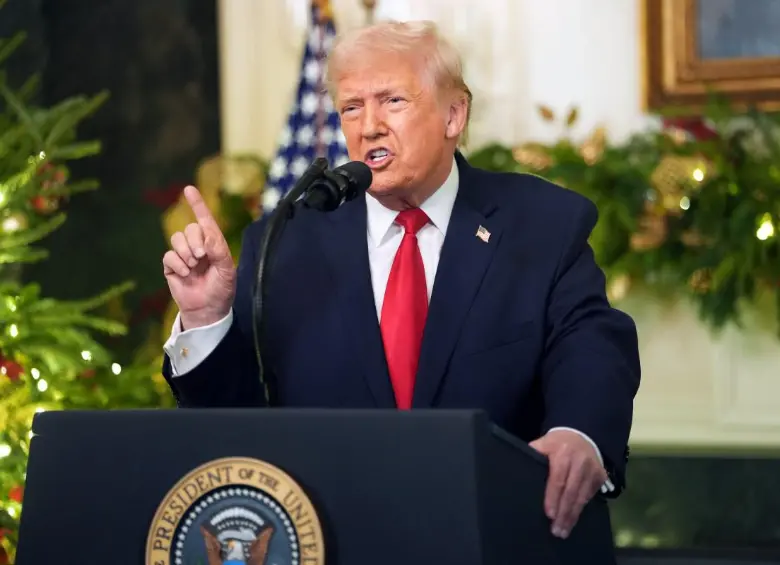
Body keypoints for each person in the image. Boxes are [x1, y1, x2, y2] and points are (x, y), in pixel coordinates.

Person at [161, 20, 640, 541]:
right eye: (351, 108)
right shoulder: (284, 241)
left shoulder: (541, 223)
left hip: (499, 532)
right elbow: (241, 428)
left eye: (391, 101)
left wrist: (579, 434)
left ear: (454, 114)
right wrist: (206, 320)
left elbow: (592, 345)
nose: (368, 127)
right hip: (340, 537)